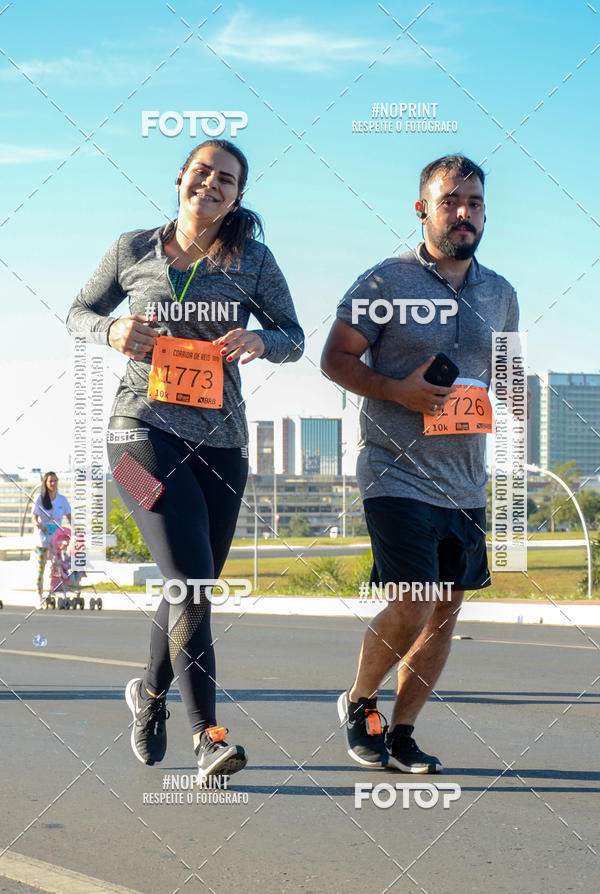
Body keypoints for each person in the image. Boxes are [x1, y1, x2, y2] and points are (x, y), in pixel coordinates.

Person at [67, 139, 304, 782]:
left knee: (188, 584)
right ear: (180, 179)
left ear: (237, 196)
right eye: (203, 172)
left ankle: (148, 694)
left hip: (222, 445)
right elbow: (78, 313)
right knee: (193, 583)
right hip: (136, 435)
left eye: (227, 179)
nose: (212, 184)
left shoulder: (253, 261)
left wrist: (261, 337)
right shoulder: (132, 248)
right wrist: (110, 331)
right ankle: (208, 734)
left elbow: (295, 337)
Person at [321, 154, 519, 773]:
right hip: (395, 470)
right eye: (452, 202)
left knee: (445, 610)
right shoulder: (386, 282)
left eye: (476, 203)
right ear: (423, 210)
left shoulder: (500, 292)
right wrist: (398, 391)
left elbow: (508, 370)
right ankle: (359, 703)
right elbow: (335, 358)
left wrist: (516, 394)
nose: (465, 213)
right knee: (415, 598)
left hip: (465, 478)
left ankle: (402, 732)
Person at [32, 472, 71, 607]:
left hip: (57, 539)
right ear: (46, 483)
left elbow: (70, 517)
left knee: (58, 567)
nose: (53, 484)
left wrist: (74, 532)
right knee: (41, 567)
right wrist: (40, 526)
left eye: (55, 481)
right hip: (42, 539)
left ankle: (57, 592)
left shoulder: (62, 500)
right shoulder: (40, 499)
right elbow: (34, 518)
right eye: (50, 481)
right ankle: (39, 596)